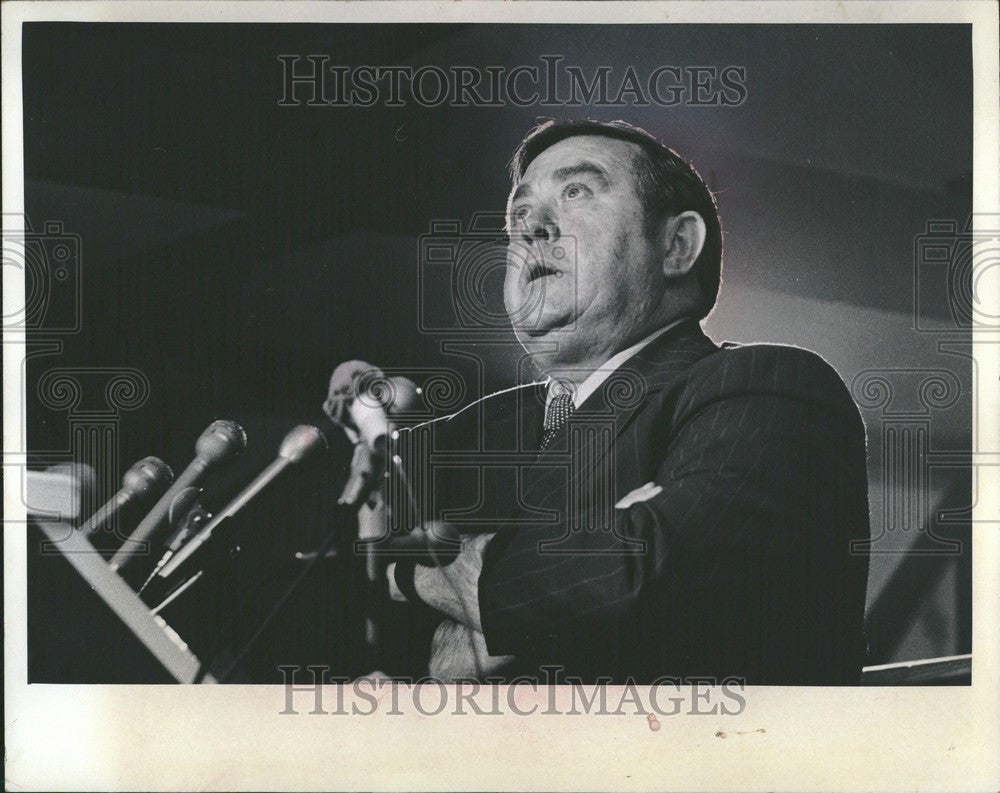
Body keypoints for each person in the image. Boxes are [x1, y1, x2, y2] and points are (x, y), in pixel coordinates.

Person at [382, 119, 870, 685]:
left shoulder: (770, 387)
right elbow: (329, 587)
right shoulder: (456, 436)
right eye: (518, 214)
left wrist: (407, 581)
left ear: (675, 246)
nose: (533, 228)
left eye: (576, 192)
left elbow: (645, 575)